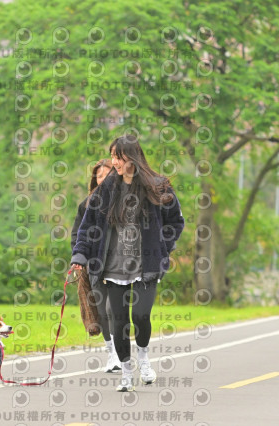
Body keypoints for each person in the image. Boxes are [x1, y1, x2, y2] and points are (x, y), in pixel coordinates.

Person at [71, 134, 185, 392]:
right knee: (119, 322)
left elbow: (176, 221)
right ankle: (126, 371)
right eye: (112, 156)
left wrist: (163, 246)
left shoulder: (157, 186)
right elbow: (87, 226)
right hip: (113, 267)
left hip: (146, 266)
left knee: (141, 315)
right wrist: (79, 256)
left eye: (118, 157)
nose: (114, 162)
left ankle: (143, 358)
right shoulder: (106, 190)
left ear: (132, 158)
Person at [70, 158, 120, 372]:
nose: (102, 179)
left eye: (106, 174)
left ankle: (122, 351)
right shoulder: (86, 205)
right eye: (98, 176)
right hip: (95, 266)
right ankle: (113, 354)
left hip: (120, 265)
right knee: (102, 311)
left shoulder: (125, 201)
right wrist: (79, 258)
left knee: (115, 310)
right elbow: (77, 235)